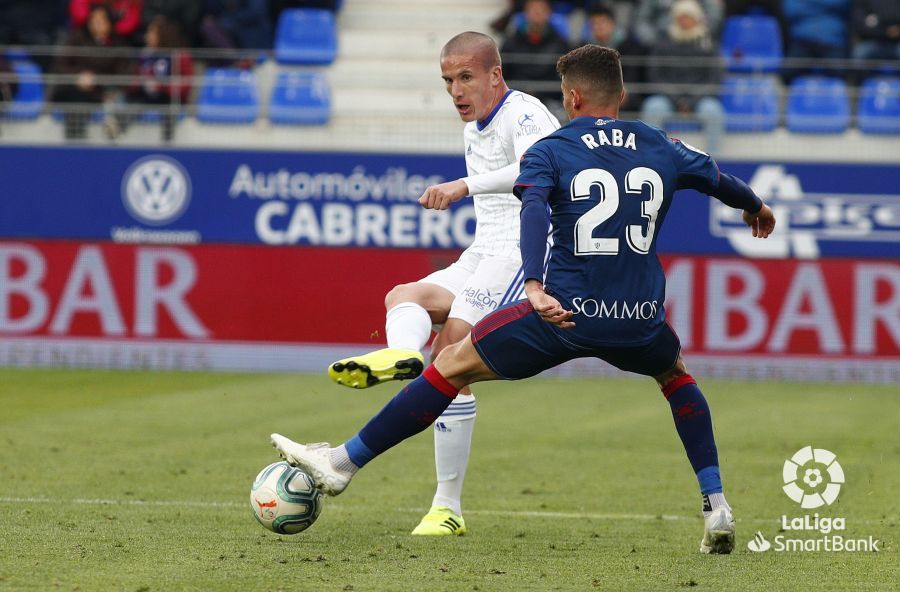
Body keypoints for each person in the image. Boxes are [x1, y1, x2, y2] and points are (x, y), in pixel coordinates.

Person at [272, 44, 777, 554]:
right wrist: (756, 206)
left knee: (449, 364)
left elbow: (533, 212)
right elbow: (717, 178)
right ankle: (716, 504)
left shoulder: (551, 148)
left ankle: (341, 464)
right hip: (638, 318)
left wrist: (533, 285)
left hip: (561, 314)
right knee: (676, 376)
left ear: (571, 96)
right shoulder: (660, 143)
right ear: (622, 94)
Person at [327, 31, 560, 536]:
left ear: (495, 75)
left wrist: (463, 185)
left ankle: (446, 506)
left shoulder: (524, 113)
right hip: (483, 250)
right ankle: (401, 356)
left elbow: (540, 167)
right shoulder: (476, 122)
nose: (456, 90)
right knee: (402, 297)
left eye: (466, 77)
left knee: (452, 350)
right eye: (448, 80)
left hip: (523, 252)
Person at [640, 0, 724, 153]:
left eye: (689, 16)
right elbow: (656, 76)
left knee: (713, 111)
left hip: (700, 98)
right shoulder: (663, 42)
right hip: (668, 98)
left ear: (697, 18)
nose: (685, 21)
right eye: (681, 17)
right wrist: (677, 99)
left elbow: (714, 79)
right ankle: (650, 160)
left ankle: (713, 163)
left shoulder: (709, 44)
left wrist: (691, 100)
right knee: (653, 107)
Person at [52, 4, 129, 139]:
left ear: (109, 22)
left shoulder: (118, 43)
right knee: (74, 101)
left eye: (101, 20)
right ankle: (75, 142)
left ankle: (115, 142)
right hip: (76, 90)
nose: (97, 24)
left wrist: (109, 86)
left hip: (104, 92)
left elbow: (123, 72)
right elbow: (61, 64)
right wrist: (78, 76)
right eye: (94, 20)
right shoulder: (77, 38)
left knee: (120, 103)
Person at [118, 15, 194, 141]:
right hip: (146, 96)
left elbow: (187, 83)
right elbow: (136, 77)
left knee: (169, 109)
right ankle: (118, 136)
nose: (147, 36)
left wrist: (163, 86)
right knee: (127, 103)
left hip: (168, 98)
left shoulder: (179, 55)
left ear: (162, 35)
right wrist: (137, 83)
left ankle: (168, 145)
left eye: (151, 33)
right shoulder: (145, 54)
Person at [500, 0, 571, 107]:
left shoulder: (561, 44)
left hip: (550, 101)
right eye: (533, 9)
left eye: (542, 9)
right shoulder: (510, 43)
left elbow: (563, 78)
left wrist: (539, 94)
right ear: (525, 13)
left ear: (549, 13)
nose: (537, 13)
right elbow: (503, 74)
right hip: (515, 100)